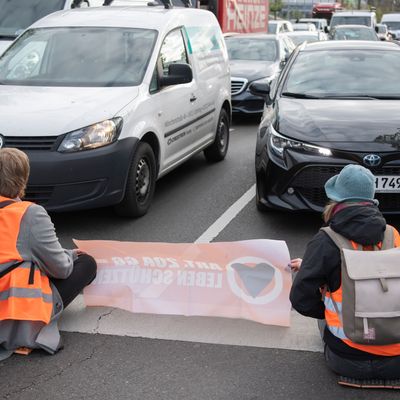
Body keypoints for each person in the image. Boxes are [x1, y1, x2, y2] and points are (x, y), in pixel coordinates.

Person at [289, 164, 400, 380]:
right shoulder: (393, 236)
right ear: (371, 199)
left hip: (347, 361)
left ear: (336, 200)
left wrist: (330, 312)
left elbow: (300, 298)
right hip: (397, 360)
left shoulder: (326, 241)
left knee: (326, 298)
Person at [0, 148, 97, 360]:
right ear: (23, 179)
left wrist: (66, 253)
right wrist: (71, 256)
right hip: (12, 318)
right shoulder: (28, 214)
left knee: (27, 262)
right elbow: (60, 269)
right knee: (87, 264)